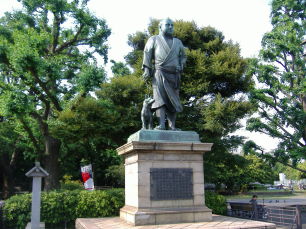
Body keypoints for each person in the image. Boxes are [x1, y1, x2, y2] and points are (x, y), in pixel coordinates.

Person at [142, 18, 186, 130]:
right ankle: (161, 124)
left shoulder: (178, 42)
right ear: (160, 27)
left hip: (174, 75)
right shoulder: (154, 39)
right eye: (168, 25)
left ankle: (172, 126)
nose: (171, 27)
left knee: (173, 100)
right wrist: (147, 69)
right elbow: (147, 53)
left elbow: (183, 56)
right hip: (159, 73)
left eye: (172, 25)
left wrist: (181, 65)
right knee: (159, 99)